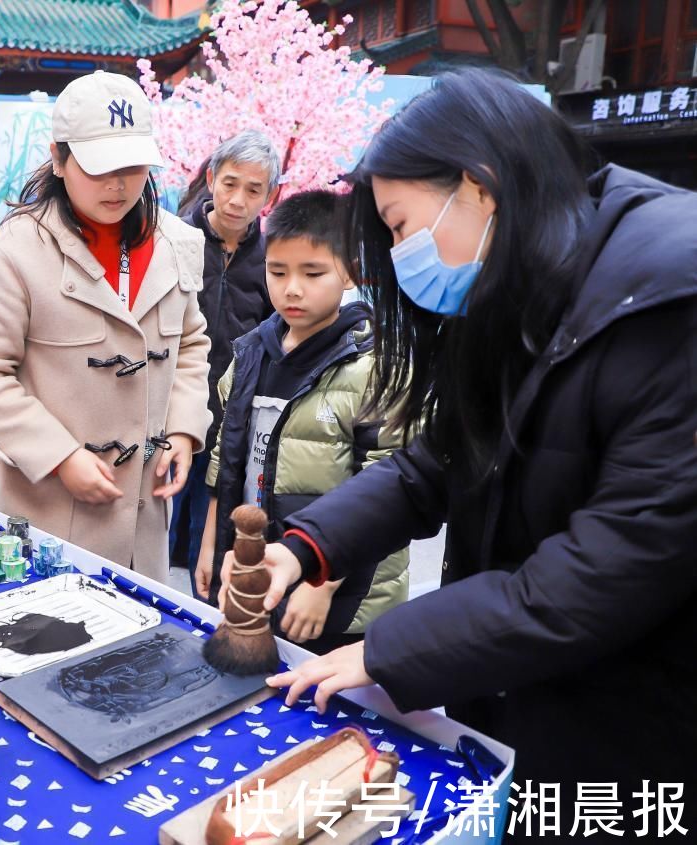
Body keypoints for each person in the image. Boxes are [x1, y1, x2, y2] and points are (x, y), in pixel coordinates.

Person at [241, 70, 695, 830]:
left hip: (635, 721)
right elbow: (440, 462)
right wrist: (306, 547)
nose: (398, 253)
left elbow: (600, 573)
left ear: (478, 188)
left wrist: (386, 652)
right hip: (528, 691)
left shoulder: (668, 306)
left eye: (398, 224)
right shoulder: (534, 277)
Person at [0, 70, 212, 584]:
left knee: (138, 649)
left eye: (133, 166)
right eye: (100, 167)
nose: (119, 185)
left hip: (144, 516)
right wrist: (60, 456)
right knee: (50, 642)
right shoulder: (12, 252)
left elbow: (190, 345)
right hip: (50, 507)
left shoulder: (177, 242)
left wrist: (184, 429)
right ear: (59, 158)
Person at [195, 191, 408, 654]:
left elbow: (388, 486)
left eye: (313, 273)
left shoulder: (376, 366)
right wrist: (212, 544)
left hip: (344, 590)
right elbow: (225, 459)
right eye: (277, 271)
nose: (292, 288)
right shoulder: (250, 353)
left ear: (350, 271)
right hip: (258, 565)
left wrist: (324, 580)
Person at [172, 130, 279, 597]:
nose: (238, 200)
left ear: (270, 196)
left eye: (254, 190)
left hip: (232, 425)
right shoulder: (174, 239)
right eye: (230, 183)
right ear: (211, 178)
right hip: (171, 417)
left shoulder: (273, 259)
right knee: (154, 541)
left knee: (211, 550)